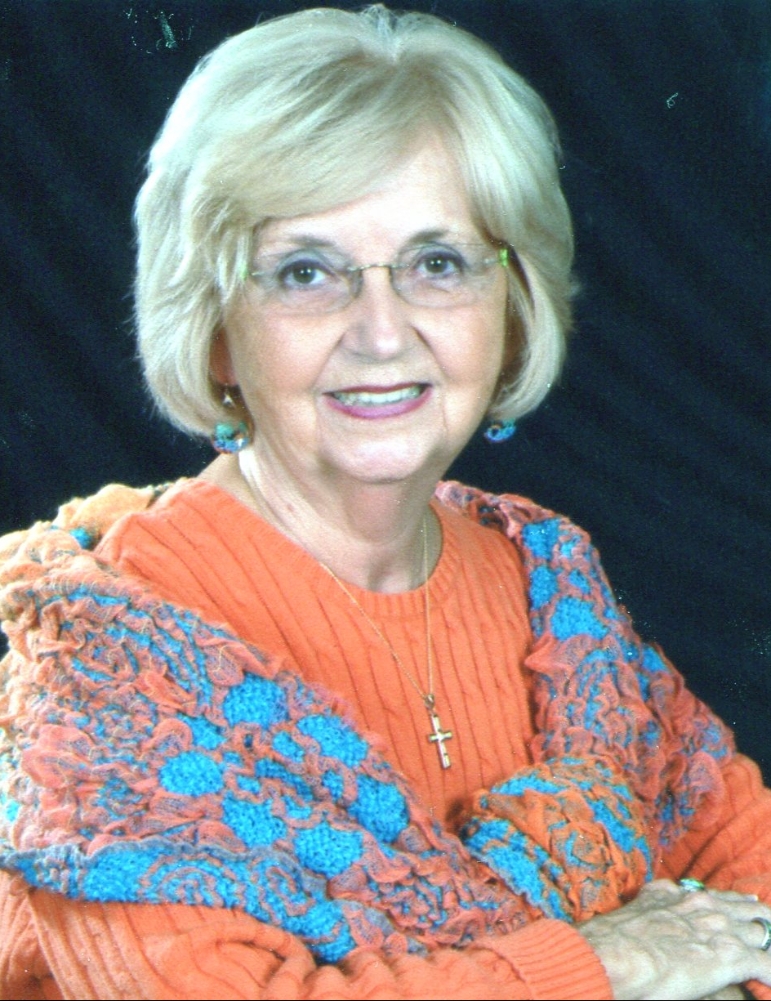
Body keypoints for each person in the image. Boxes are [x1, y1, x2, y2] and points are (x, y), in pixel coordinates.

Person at [1, 5, 770, 999]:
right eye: (306, 272)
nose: (380, 331)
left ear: (513, 303)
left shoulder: (551, 588)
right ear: (216, 325)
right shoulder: (101, 656)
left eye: (436, 263)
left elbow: (743, 860)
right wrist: (615, 962)